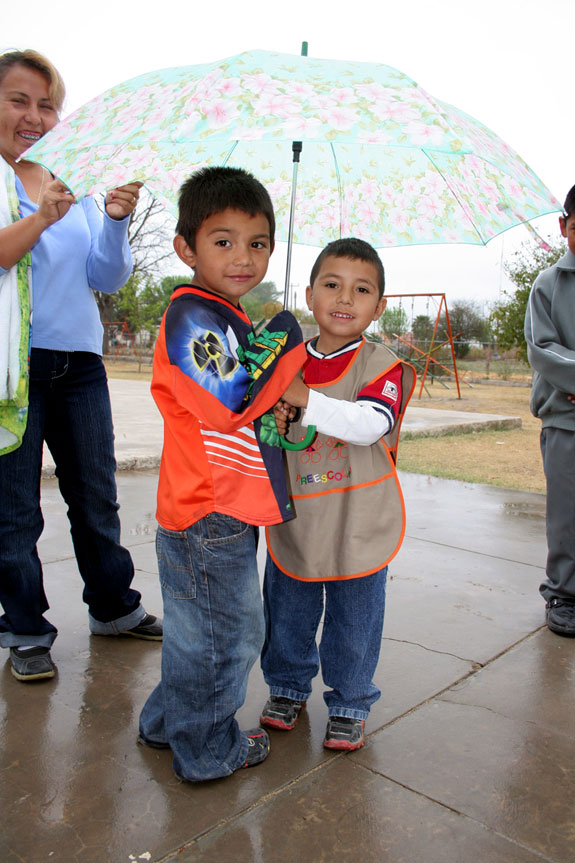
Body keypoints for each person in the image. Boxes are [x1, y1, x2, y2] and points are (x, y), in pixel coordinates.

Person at [138, 166, 306, 782]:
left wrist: (271, 367)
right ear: (187, 248)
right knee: (224, 638)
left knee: (198, 630)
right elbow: (230, 399)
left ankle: (167, 722)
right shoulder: (191, 315)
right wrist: (287, 340)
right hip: (209, 510)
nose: (244, 257)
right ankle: (208, 749)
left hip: (218, 505)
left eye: (258, 242)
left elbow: (245, 402)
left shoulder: (222, 313)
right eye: (224, 241)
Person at [0, 49, 162, 684]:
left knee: (95, 495)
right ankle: (26, 628)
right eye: (19, 100)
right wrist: (41, 217)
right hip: (12, 369)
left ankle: (114, 608)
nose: (35, 116)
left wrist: (115, 218)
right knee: (14, 507)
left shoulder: (74, 178)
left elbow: (106, 273)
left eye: (47, 104)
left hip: (80, 363)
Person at [260, 238, 415, 750]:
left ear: (379, 306)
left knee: (355, 615)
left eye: (361, 289)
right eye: (332, 284)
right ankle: (285, 686)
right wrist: (277, 411)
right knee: (287, 607)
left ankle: (350, 701)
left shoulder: (381, 365)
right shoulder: (285, 361)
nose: (345, 298)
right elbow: (264, 426)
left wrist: (305, 398)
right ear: (309, 294)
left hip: (360, 515)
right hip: (300, 513)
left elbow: (371, 424)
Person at [525, 184, 575, 637]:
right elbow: (544, 350)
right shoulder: (549, 284)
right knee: (568, 512)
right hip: (566, 419)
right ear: (564, 227)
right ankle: (563, 594)